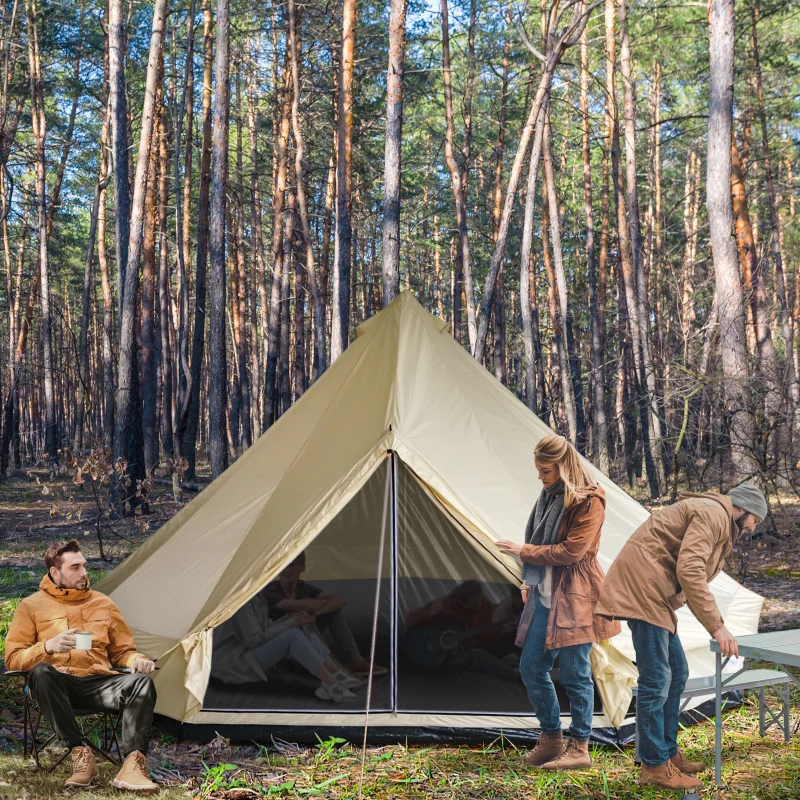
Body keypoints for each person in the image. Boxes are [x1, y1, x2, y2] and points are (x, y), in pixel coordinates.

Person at [595, 481, 767, 791]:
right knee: (656, 679)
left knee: (676, 674)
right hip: (643, 592)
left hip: (654, 594)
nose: (754, 526)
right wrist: (717, 626)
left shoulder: (718, 519)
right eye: (755, 518)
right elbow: (690, 569)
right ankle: (653, 765)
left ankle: (668, 754)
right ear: (740, 508)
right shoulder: (714, 514)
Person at [497, 434, 620, 771]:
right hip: (545, 596)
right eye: (538, 470)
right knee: (531, 667)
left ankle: (579, 746)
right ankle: (552, 737)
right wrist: (528, 576)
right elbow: (542, 539)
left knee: (576, 674)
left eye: (546, 471)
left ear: (563, 467)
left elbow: (571, 552)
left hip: (577, 596)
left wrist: (522, 551)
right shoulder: (549, 496)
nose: (540, 477)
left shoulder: (589, 501)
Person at [4, 540, 159, 792]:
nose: (84, 573)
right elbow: (13, 659)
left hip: (98, 682)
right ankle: (80, 755)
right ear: (55, 572)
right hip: (57, 685)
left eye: (84, 566)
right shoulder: (30, 606)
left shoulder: (104, 604)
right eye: (75, 567)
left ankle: (133, 765)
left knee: (141, 683)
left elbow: (123, 652)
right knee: (41, 672)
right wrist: (47, 647)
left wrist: (135, 660)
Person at [210, 588, 362, 702]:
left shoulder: (256, 597)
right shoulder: (242, 602)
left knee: (297, 627)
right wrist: (290, 623)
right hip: (235, 662)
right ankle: (330, 684)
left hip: (246, 652)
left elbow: (263, 628)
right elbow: (253, 639)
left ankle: (336, 672)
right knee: (292, 636)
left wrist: (290, 620)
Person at [262, 551, 386, 676]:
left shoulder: (303, 587)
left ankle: (356, 660)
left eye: (293, 565)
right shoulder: (271, 591)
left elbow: (340, 600)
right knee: (306, 617)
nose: (288, 570)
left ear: (302, 567)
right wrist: (317, 608)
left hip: (305, 637)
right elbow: (304, 606)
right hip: (282, 643)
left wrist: (318, 613)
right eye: (284, 566)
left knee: (332, 611)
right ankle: (332, 666)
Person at [404, 581, 519, 681]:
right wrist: (427, 614)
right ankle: (518, 678)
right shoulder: (444, 606)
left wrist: (500, 632)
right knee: (478, 656)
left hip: (463, 648)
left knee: (515, 635)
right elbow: (410, 620)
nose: (478, 605)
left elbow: (482, 638)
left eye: (479, 600)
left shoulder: (484, 606)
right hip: (441, 659)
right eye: (471, 605)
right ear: (460, 600)